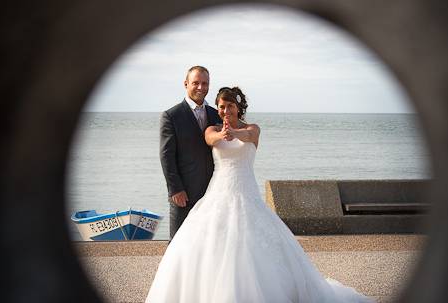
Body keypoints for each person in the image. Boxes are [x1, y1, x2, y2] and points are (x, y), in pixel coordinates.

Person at [147, 87, 373, 303]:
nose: (226, 111)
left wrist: (233, 132)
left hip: (246, 193)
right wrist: (222, 133)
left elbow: (248, 136)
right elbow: (210, 140)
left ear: (238, 107)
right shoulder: (212, 130)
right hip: (217, 192)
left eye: (230, 106)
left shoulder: (253, 129)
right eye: (222, 107)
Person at [159, 66, 222, 239]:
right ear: (186, 84)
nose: (201, 87)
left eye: (205, 83)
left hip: (212, 192)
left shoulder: (216, 114)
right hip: (184, 194)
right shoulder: (171, 116)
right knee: (179, 244)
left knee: (208, 243)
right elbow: (166, 157)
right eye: (196, 83)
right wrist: (175, 189)